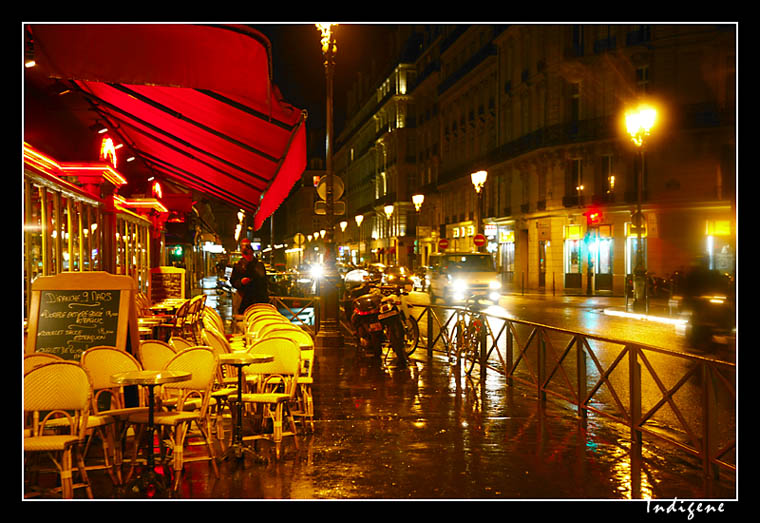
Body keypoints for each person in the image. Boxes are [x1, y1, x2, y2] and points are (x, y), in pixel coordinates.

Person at [230, 238, 269, 314]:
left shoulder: (258, 265)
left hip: (258, 299)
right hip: (244, 299)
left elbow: (263, 281)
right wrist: (241, 282)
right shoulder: (238, 266)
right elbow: (233, 281)